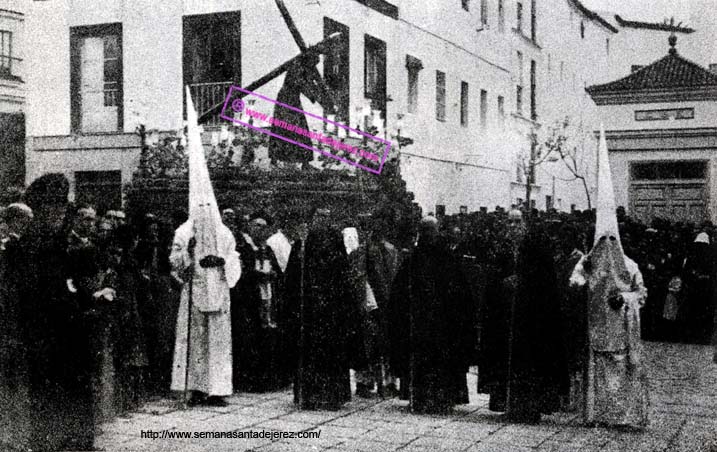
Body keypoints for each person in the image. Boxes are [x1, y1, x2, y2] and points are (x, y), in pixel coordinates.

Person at [9, 173, 97, 451]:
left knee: (76, 388)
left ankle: (79, 442)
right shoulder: (27, 247)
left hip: (71, 330)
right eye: (53, 207)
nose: (60, 212)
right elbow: (23, 295)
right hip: (43, 334)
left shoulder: (62, 243)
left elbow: (73, 282)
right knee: (48, 393)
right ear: (40, 208)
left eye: (62, 206)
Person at [569, 129, 649, 428]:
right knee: (597, 372)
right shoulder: (587, 261)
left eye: (610, 240)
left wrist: (624, 298)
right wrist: (584, 277)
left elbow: (641, 293)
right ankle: (596, 414)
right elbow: (574, 282)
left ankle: (623, 416)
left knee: (620, 371)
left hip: (620, 329)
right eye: (601, 240)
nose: (606, 246)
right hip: (595, 326)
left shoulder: (629, 264)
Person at [479, 209, 569, 423]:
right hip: (506, 316)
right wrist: (503, 283)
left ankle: (530, 407)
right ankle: (508, 404)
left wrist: (525, 282)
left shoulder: (537, 249)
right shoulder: (502, 250)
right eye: (509, 222)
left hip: (532, 319)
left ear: (525, 224)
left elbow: (546, 283)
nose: (513, 226)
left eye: (517, 222)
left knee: (530, 364)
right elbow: (491, 280)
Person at [389, 215, 474, 414]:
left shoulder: (446, 257)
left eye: (431, 231)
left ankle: (441, 399)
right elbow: (400, 292)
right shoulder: (414, 259)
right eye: (425, 231)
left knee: (439, 362)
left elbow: (459, 291)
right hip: (422, 322)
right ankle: (422, 398)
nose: (428, 235)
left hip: (441, 322)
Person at [283, 208, 365, 410]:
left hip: (331, 310)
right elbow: (293, 279)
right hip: (309, 310)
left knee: (332, 355)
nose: (322, 220)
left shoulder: (335, 240)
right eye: (319, 216)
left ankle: (332, 395)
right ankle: (308, 395)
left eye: (326, 216)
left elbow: (343, 275)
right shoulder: (303, 244)